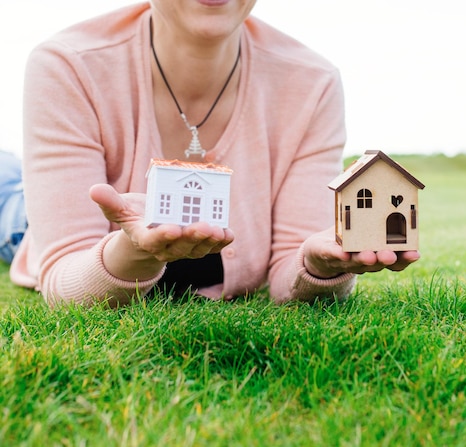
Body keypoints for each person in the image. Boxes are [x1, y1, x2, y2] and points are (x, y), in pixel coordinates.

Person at [4, 0, 420, 307]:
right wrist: (135, 250)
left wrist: (319, 267)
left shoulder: (314, 84)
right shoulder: (66, 64)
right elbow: (64, 279)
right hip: (24, 217)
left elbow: (291, 273)